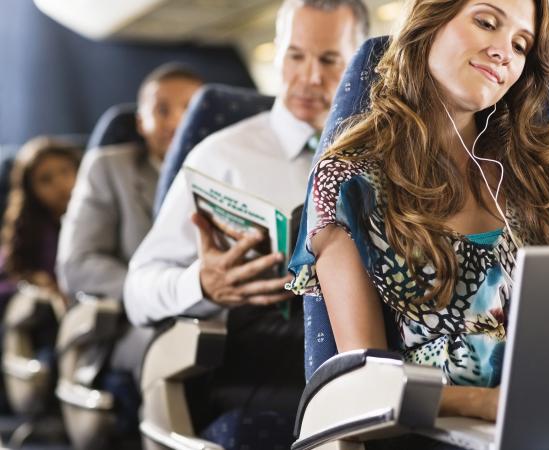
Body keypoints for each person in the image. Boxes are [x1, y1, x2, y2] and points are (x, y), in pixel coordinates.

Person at [288, 0, 549, 423]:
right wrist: (489, 406)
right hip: (436, 428)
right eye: (486, 22)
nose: (503, 52)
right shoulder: (348, 181)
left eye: (520, 44)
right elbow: (364, 383)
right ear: (430, 22)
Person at [123, 0, 368, 443]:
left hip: (362, 368)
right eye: (295, 56)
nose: (309, 76)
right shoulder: (221, 155)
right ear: (276, 55)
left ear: (360, 65)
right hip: (262, 370)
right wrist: (201, 283)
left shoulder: (386, 157)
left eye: (329, 60)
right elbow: (137, 289)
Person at [57, 63, 203, 301]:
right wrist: (160, 295)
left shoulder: (228, 171)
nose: (177, 122)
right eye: (162, 110)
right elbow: (77, 264)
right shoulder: (108, 168)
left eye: (190, 110)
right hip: (138, 318)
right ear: (140, 123)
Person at [0, 137, 81, 309]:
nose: (60, 184)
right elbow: (8, 272)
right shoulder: (28, 229)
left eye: (65, 171)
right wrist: (31, 281)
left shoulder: (97, 218)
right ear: (31, 191)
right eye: (45, 180)